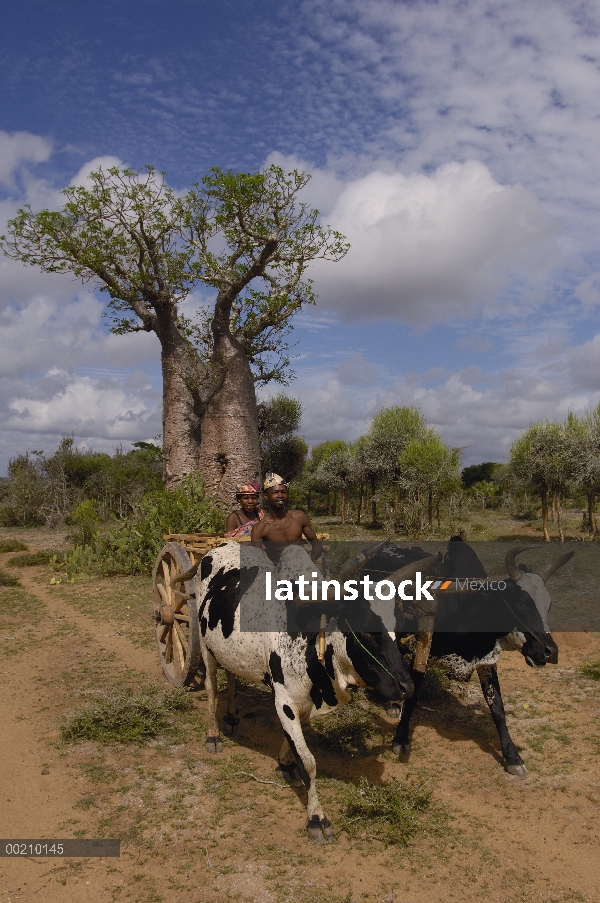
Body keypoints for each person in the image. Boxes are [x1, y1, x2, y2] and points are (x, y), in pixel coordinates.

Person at [251, 473, 322, 563]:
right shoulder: (260, 528)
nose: (280, 495)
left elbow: (316, 545)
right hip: (278, 571)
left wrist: (311, 561)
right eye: (276, 492)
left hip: (302, 565)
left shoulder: (299, 517)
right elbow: (257, 558)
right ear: (266, 496)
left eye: (283, 492)